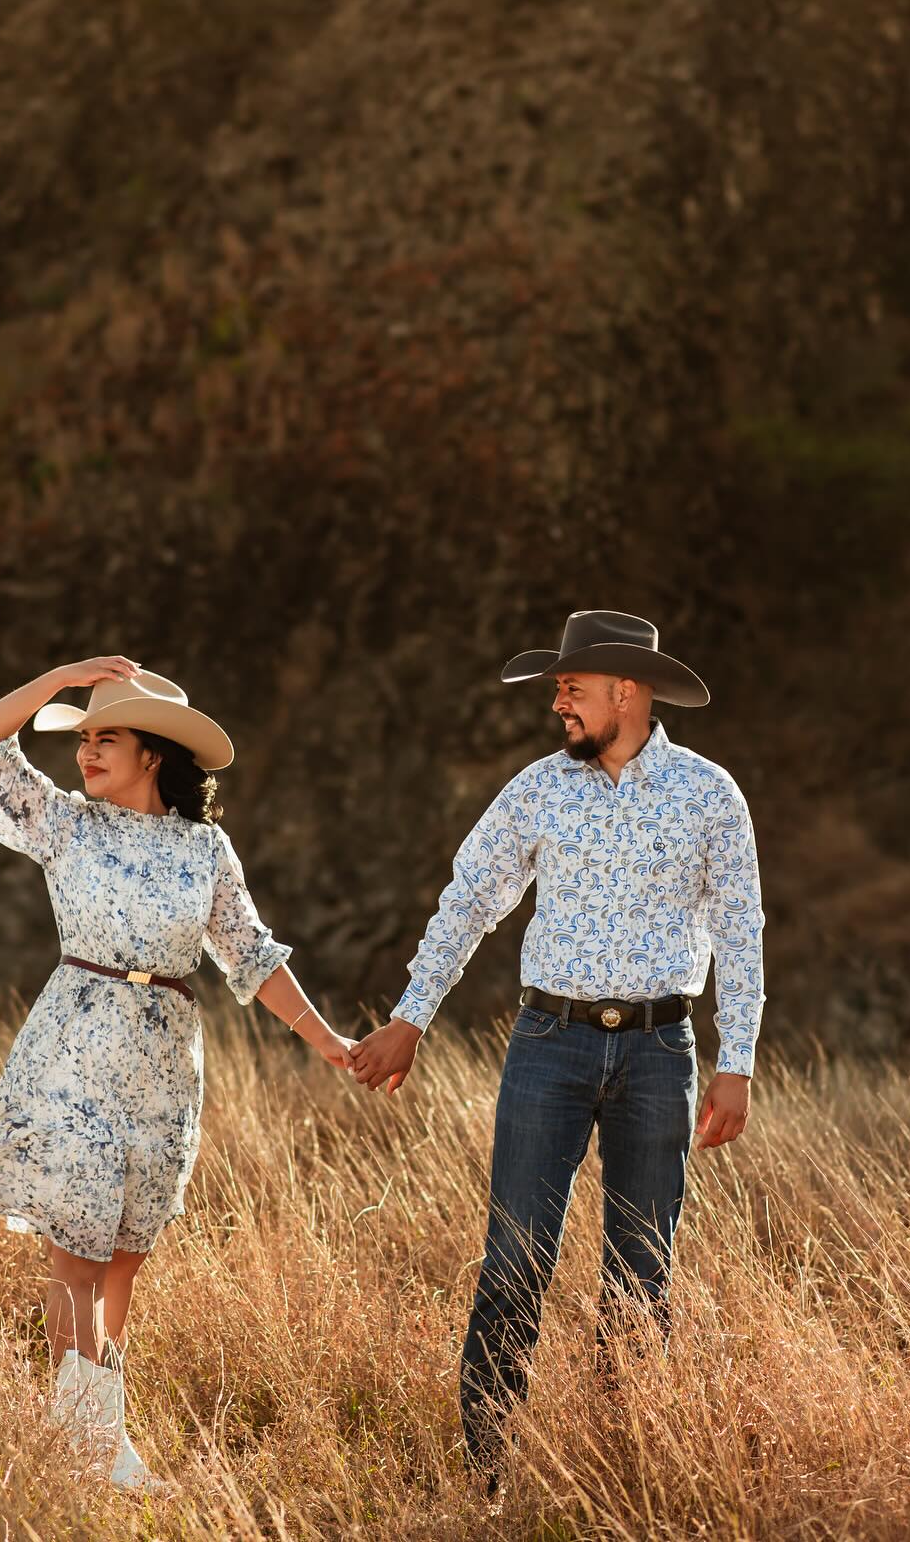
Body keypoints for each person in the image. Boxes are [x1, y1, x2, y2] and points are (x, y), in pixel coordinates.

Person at [349, 611, 765, 1487]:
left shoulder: (709, 794)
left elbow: (741, 931)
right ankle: (486, 1472)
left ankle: (622, 1468)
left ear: (628, 691)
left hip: (662, 1051)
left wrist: (740, 1060)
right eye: (558, 690)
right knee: (515, 1256)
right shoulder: (539, 789)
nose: (558, 705)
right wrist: (411, 1015)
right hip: (549, 1045)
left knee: (643, 1267)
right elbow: (469, 902)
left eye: (572, 688)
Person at [0, 656, 353, 1492]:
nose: (86, 753)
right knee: (78, 1250)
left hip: (166, 1053)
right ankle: (86, 1446)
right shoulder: (64, 824)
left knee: (126, 1254)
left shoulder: (206, 849)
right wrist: (59, 679)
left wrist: (327, 1041)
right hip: (76, 1042)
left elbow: (252, 956)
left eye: (107, 738)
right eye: (82, 738)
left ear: (154, 753)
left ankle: (103, 1437)